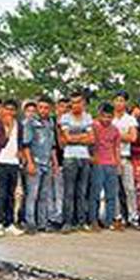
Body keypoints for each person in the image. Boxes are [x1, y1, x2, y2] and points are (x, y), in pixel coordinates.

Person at [22, 96, 58, 232]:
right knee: (32, 195)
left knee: (44, 195)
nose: (43, 110)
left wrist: (55, 164)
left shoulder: (50, 123)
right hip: (35, 162)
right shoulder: (30, 123)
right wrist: (29, 163)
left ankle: (43, 223)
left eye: (46, 108)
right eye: (41, 107)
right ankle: (30, 222)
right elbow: (26, 145)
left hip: (47, 163)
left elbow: (52, 146)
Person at [59, 92, 94, 232]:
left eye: (78, 102)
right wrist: (82, 137)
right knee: (69, 191)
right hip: (69, 157)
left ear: (83, 103)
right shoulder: (65, 117)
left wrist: (74, 138)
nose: (75, 105)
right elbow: (66, 138)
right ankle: (67, 222)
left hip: (84, 157)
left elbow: (92, 139)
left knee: (82, 191)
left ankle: (81, 221)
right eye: (73, 103)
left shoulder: (88, 116)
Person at [0, 100, 25, 237]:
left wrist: (21, 154)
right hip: (2, 161)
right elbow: (2, 142)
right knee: (1, 193)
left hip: (14, 162)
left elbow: (20, 142)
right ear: (3, 110)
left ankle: (10, 222)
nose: (9, 112)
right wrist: (9, 128)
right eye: (7, 109)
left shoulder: (20, 125)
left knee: (12, 194)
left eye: (12, 110)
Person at [89, 102, 122, 230]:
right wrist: (92, 157)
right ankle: (93, 220)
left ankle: (109, 221)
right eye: (104, 116)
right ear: (99, 115)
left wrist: (117, 164)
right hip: (98, 164)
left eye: (109, 117)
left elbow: (117, 148)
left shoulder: (115, 130)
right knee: (95, 194)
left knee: (111, 195)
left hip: (111, 164)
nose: (106, 119)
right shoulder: (93, 126)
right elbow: (89, 143)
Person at [112, 91, 140, 229]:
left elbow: (133, 137)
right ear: (113, 102)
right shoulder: (108, 119)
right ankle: (118, 217)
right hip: (110, 158)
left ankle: (133, 217)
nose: (119, 103)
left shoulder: (130, 119)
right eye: (117, 100)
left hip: (125, 157)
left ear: (126, 103)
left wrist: (115, 135)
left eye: (122, 100)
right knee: (114, 189)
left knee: (129, 188)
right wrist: (123, 135)